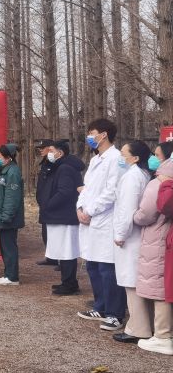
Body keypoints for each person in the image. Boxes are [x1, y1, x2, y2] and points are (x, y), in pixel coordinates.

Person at [76, 119, 127, 329]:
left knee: (108, 268)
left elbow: (112, 192)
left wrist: (90, 211)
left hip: (105, 220)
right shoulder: (96, 159)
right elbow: (86, 187)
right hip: (89, 220)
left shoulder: (116, 159)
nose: (89, 137)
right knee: (93, 266)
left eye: (92, 133)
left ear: (104, 134)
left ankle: (115, 313)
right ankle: (101, 306)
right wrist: (80, 208)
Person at [127, 146, 173, 353]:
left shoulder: (161, 181)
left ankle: (162, 335)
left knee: (158, 285)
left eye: (157, 154)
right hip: (164, 236)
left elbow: (146, 213)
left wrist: (134, 217)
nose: (153, 158)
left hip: (157, 238)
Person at [111, 141, 152, 336]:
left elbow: (127, 208)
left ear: (135, 158)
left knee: (131, 281)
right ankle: (141, 325)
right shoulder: (140, 174)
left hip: (130, 237)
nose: (121, 157)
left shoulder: (132, 177)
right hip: (135, 235)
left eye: (123, 153)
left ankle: (138, 328)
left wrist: (120, 234)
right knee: (134, 280)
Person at [37, 141, 84, 295]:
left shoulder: (65, 168)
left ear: (60, 153)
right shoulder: (59, 166)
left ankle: (69, 284)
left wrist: (48, 204)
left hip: (63, 216)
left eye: (51, 150)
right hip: (59, 216)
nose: (49, 153)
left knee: (67, 251)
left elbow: (64, 192)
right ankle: (67, 281)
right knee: (63, 251)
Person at [0, 144, 25, 285]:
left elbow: (12, 197)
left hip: (8, 218)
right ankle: (8, 274)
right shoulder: (3, 170)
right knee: (5, 248)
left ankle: (12, 277)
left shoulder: (12, 172)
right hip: (3, 217)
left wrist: (6, 216)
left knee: (9, 248)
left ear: (8, 157)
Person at [35, 139, 58, 267]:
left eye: (43, 148)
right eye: (40, 148)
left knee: (55, 232)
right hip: (44, 202)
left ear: (50, 148)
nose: (40, 150)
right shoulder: (44, 163)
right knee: (45, 231)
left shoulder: (56, 163)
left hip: (51, 202)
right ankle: (50, 257)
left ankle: (61, 259)